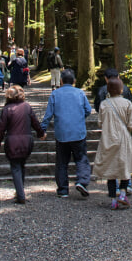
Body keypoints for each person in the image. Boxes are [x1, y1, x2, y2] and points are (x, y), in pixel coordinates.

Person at [41, 68, 92, 198]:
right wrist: (79, 118)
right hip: (78, 132)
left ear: (62, 81)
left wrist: (43, 129)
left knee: (62, 162)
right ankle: (82, 181)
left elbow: (48, 115)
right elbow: (88, 110)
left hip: (62, 132)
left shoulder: (55, 94)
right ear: (74, 81)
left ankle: (63, 189)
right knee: (81, 158)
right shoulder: (80, 93)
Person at [0, 85, 45, 204]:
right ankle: (20, 191)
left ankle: (20, 195)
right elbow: (35, 122)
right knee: (21, 165)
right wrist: (41, 133)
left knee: (16, 167)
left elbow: (1, 128)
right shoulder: (27, 107)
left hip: (12, 141)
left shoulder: (7, 109)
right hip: (27, 141)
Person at [94, 68, 132, 195]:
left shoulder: (104, 104)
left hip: (108, 137)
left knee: (110, 168)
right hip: (123, 136)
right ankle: (124, 192)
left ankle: (113, 198)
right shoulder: (127, 103)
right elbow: (131, 124)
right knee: (124, 165)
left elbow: (100, 121)